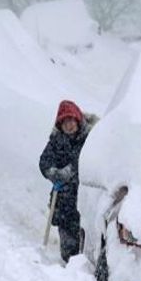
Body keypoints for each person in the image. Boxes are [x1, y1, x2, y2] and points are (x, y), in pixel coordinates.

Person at [39, 100, 98, 263]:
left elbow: (88, 161)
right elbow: (44, 161)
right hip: (64, 199)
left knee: (88, 242)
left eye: (71, 121)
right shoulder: (57, 140)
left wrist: (70, 171)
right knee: (68, 247)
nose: (69, 126)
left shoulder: (90, 138)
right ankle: (68, 268)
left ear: (78, 119)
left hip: (86, 196)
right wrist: (53, 173)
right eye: (64, 123)